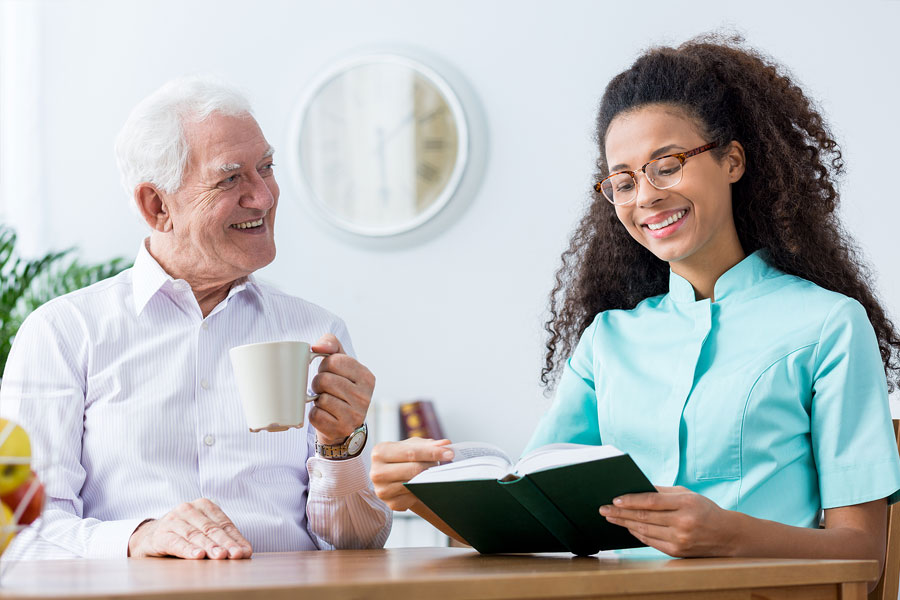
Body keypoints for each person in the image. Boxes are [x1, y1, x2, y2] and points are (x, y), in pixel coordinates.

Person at [370, 34, 900, 582]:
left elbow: (865, 552)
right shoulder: (607, 341)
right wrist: (419, 492)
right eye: (623, 182)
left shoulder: (828, 325)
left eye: (666, 165)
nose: (644, 196)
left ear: (733, 160)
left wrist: (729, 535)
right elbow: (531, 523)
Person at [0, 76, 391, 560]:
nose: (263, 197)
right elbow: (21, 530)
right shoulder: (63, 332)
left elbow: (357, 544)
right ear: (157, 206)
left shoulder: (315, 331)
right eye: (231, 178)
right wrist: (137, 538)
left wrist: (340, 448)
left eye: (265, 168)